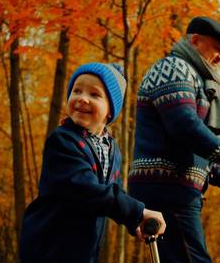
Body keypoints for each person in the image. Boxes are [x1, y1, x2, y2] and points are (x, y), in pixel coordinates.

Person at [128, 16, 220, 262]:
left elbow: (190, 143)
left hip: (176, 187)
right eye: (218, 49)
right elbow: (185, 127)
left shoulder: (196, 77)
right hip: (165, 187)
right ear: (195, 40)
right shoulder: (172, 68)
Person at [20, 63, 165, 263]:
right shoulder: (62, 141)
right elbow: (86, 189)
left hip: (85, 249)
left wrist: (135, 223)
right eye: (76, 90)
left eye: (95, 94)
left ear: (110, 111)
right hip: (49, 246)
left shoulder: (112, 149)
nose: (82, 98)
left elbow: (113, 192)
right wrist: (136, 211)